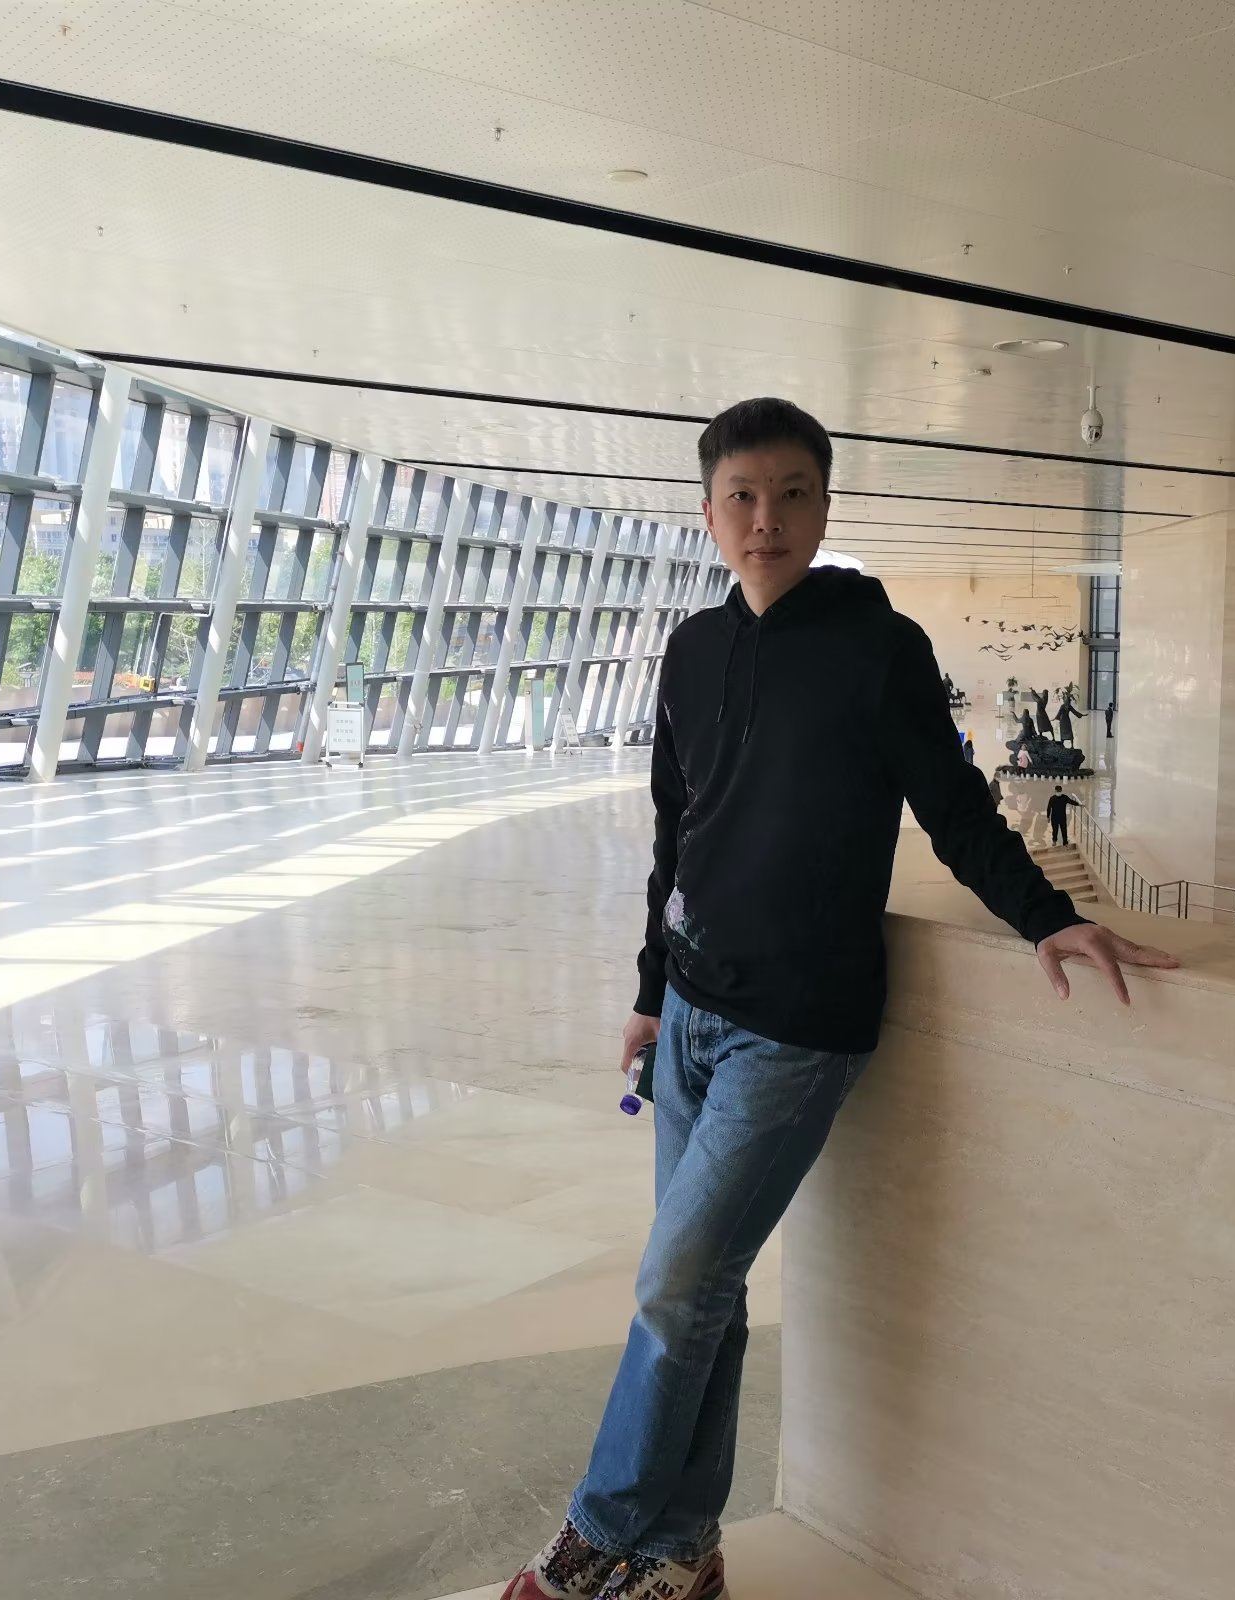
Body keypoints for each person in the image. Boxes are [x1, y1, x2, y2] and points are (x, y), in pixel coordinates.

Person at [502, 398, 1178, 1600]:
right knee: (701, 1292)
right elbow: (677, 836)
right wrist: (651, 990)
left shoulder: (879, 647)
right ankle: (681, 1553)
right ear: (709, 513)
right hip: (690, 1016)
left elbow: (956, 807)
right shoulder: (690, 650)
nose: (766, 519)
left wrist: (1046, 915)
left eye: (793, 494)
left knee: (675, 1283)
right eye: (743, 497)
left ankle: (596, 1531)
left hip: (797, 1030)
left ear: (824, 507)